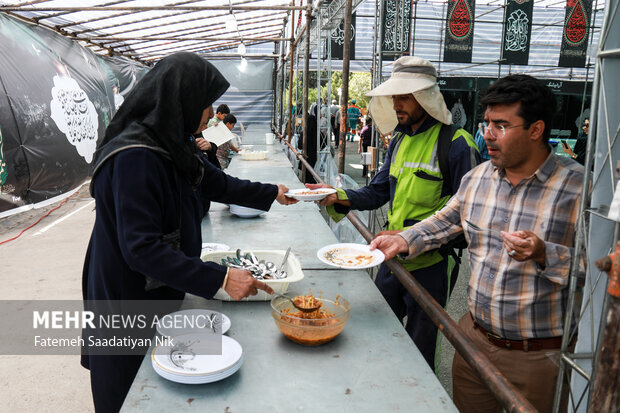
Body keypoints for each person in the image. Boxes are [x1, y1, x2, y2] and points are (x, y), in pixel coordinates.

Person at [81, 52, 297, 412]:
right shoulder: (135, 157)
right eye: (206, 103)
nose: (212, 114)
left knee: (163, 378)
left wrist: (271, 191)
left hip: (157, 288)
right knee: (127, 387)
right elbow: (141, 250)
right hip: (124, 295)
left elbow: (218, 184)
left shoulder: (173, 142)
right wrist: (221, 277)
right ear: (182, 98)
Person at [370, 74, 584, 413]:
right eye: (486, 123)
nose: (488, 134)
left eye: (501, 125)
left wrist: (545, 254)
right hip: (474, 341)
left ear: (536, 129)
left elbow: (601, 268)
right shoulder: (478, 179)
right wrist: (401, 239)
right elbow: (444, 221)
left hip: (537, 356)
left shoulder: (578, 189)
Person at [308, 56, 480, 369]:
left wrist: (409, 236)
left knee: (420, 348)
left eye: (404, 96)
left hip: (430, 268)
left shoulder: (457, 145)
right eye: (394, 97)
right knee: (375, 332)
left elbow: (468, 219)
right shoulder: (399, 140)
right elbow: (377, 192)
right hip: (390, 258)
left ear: (425, 97)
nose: (396, 104)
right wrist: (336, 196)